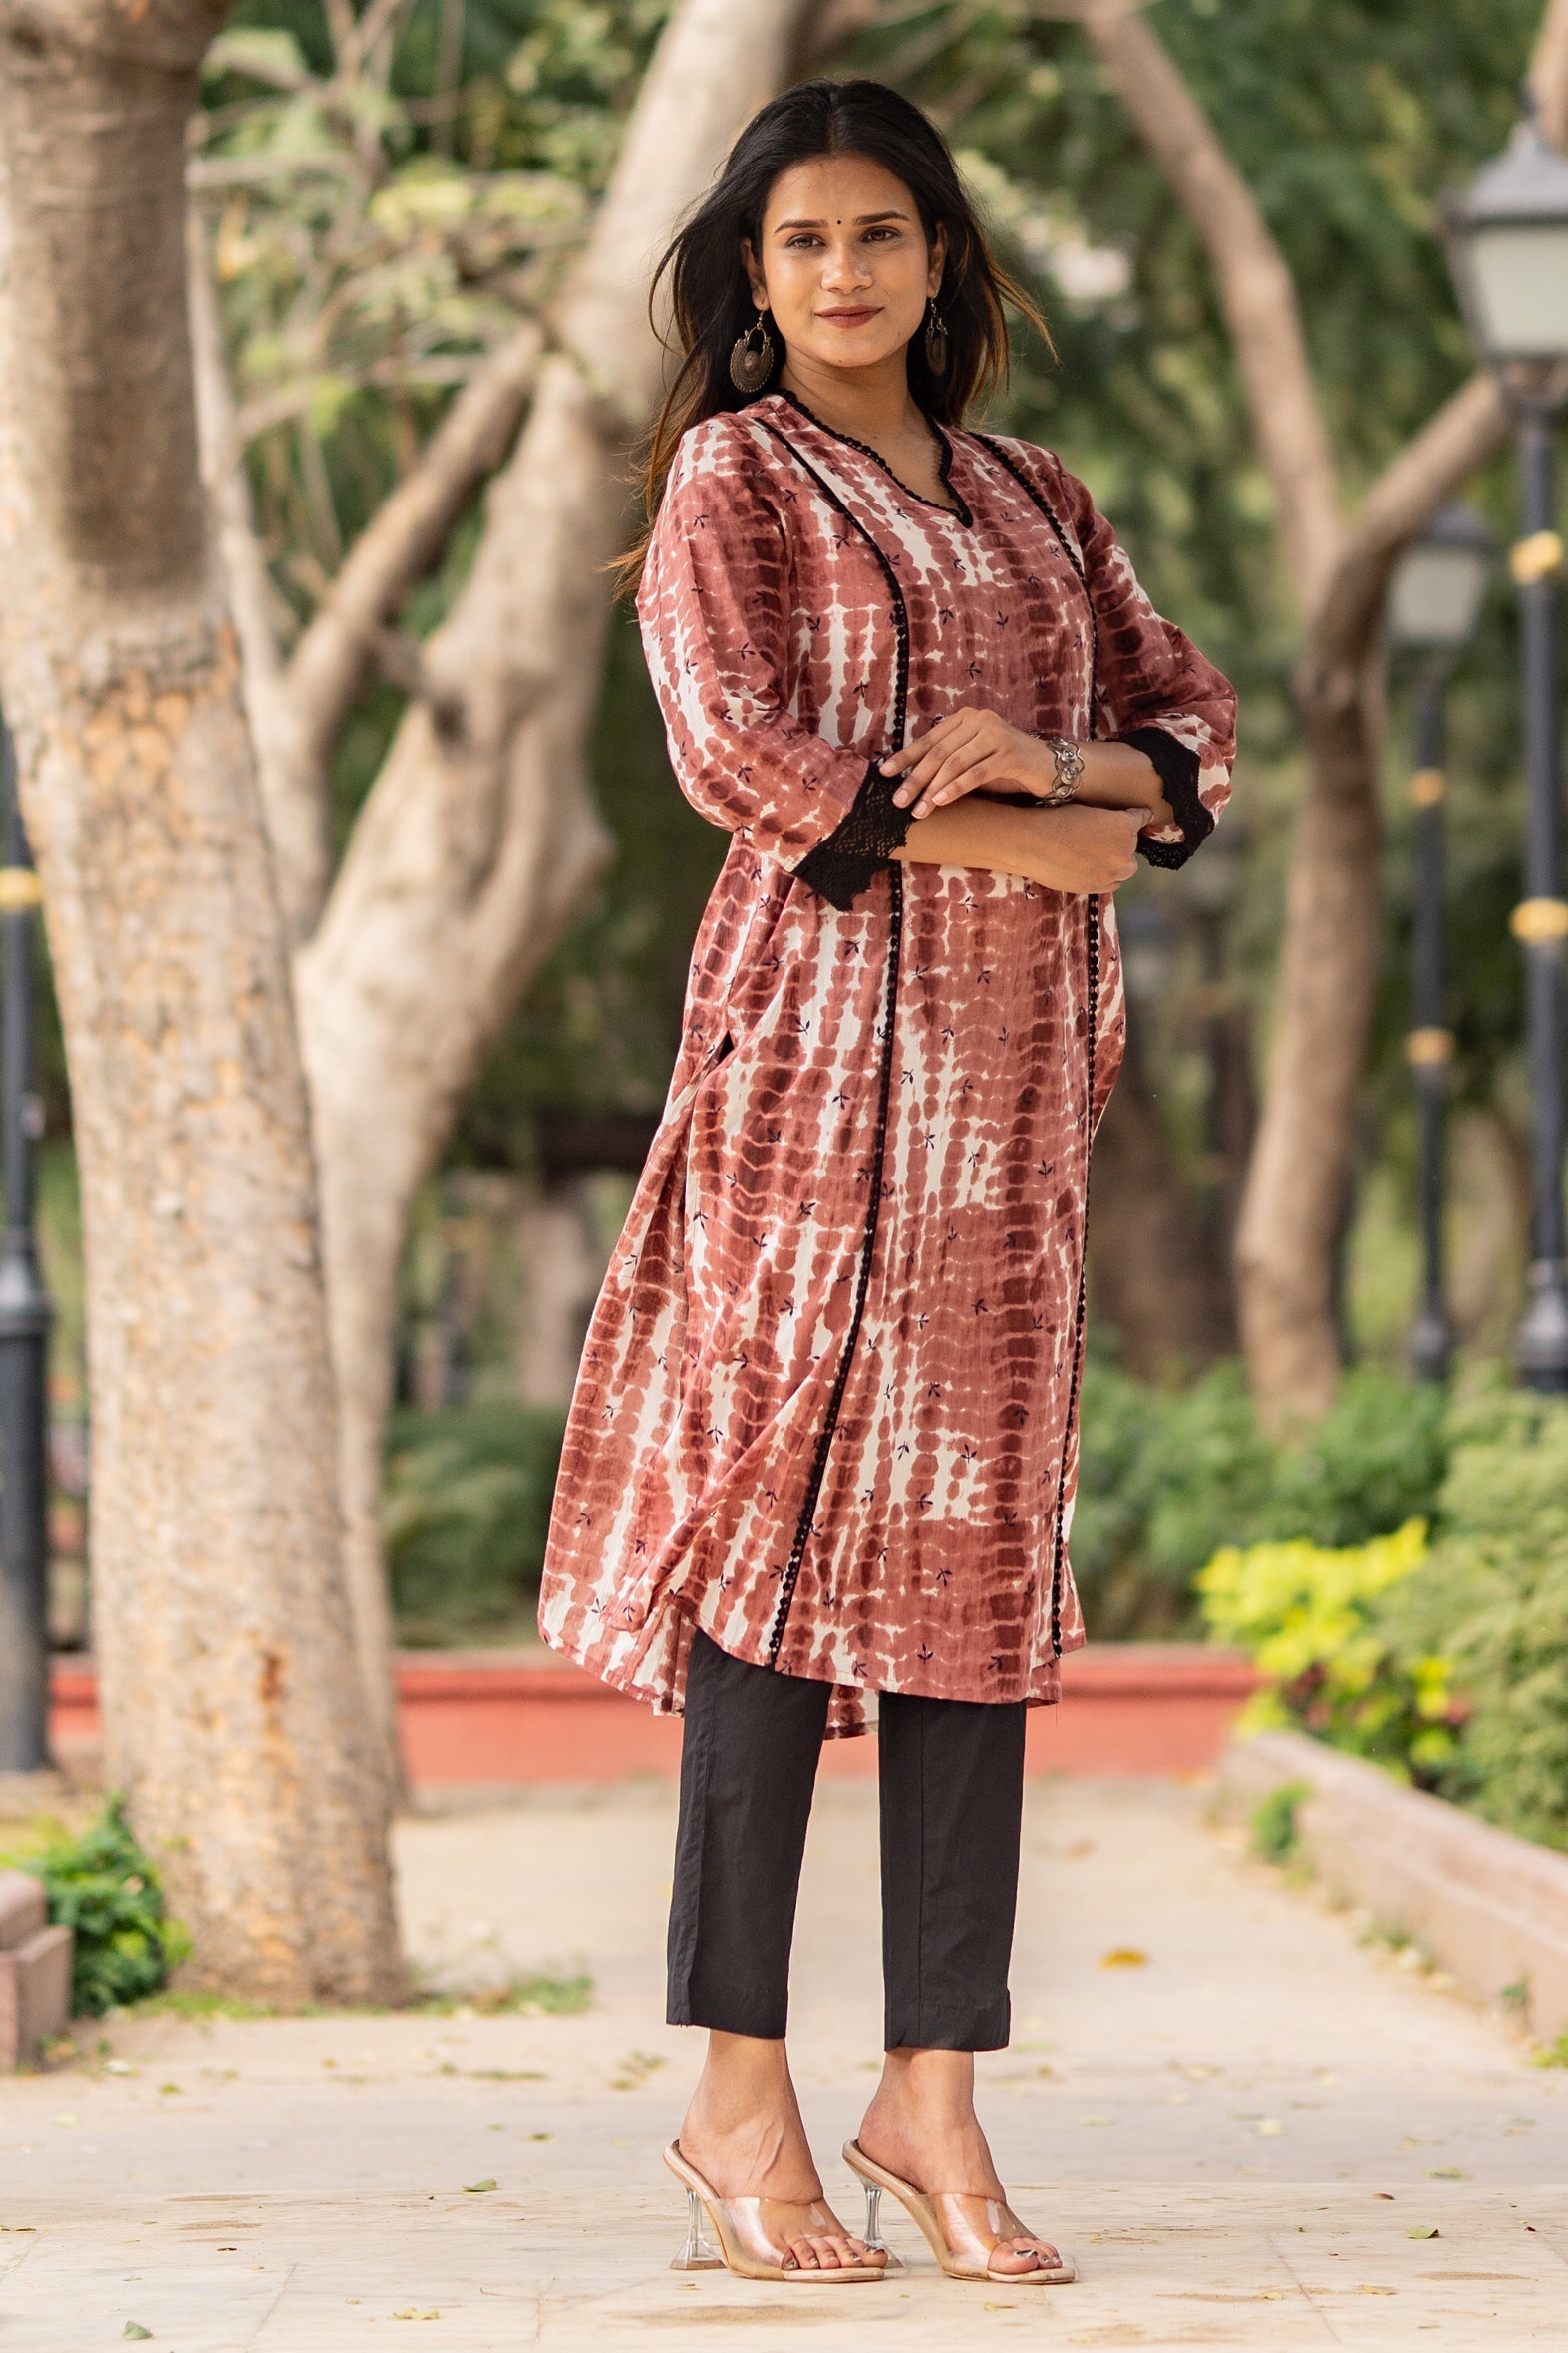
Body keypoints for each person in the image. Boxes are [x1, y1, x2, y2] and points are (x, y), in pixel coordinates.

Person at [538, 76, 1236, 2288]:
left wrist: (1057, 763)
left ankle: (932, 2089)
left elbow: (1193, 742)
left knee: (970, 1589)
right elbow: (739, 751)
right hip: (808, 1096)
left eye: (879, 237)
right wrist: (1036, 832)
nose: (842, 275)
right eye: (801, 244)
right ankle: (734, 2092)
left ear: (942, 259)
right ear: (751, 280)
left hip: (1012, 1118)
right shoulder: (734, 478)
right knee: (766, 1564)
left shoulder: (1042, 501)